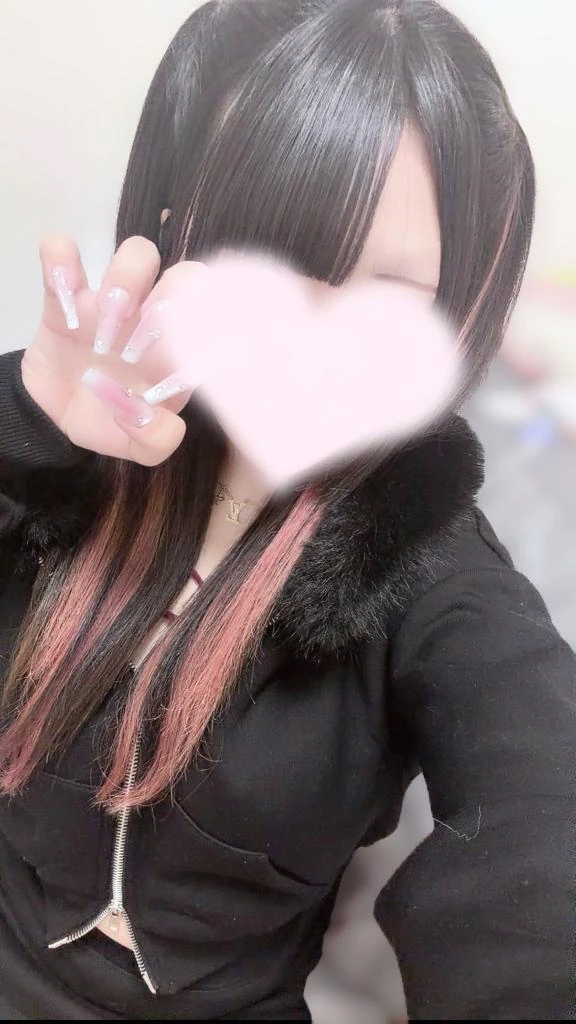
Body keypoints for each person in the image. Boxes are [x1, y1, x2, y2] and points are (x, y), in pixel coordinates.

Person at [0, 0, 574, 1019]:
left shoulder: (433, 567)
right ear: (172, 224)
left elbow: (543, 823)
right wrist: (24, 425)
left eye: (388, 290)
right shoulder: (75, 440)